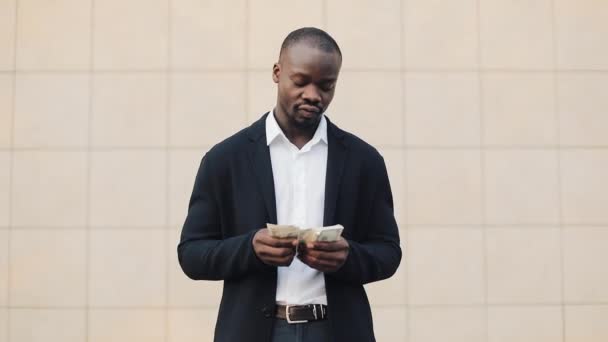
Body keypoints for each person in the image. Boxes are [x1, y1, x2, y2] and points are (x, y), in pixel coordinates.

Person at [177, 27, 401, 342]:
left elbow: (389, 252)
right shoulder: (226, 159)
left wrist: (348, 257)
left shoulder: (363, 161)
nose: (313, 94)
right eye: (301, 81)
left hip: (337, 330)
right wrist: (250, 247)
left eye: (327, 85)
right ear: (277, 73)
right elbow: (191, 254)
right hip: (254, 332)